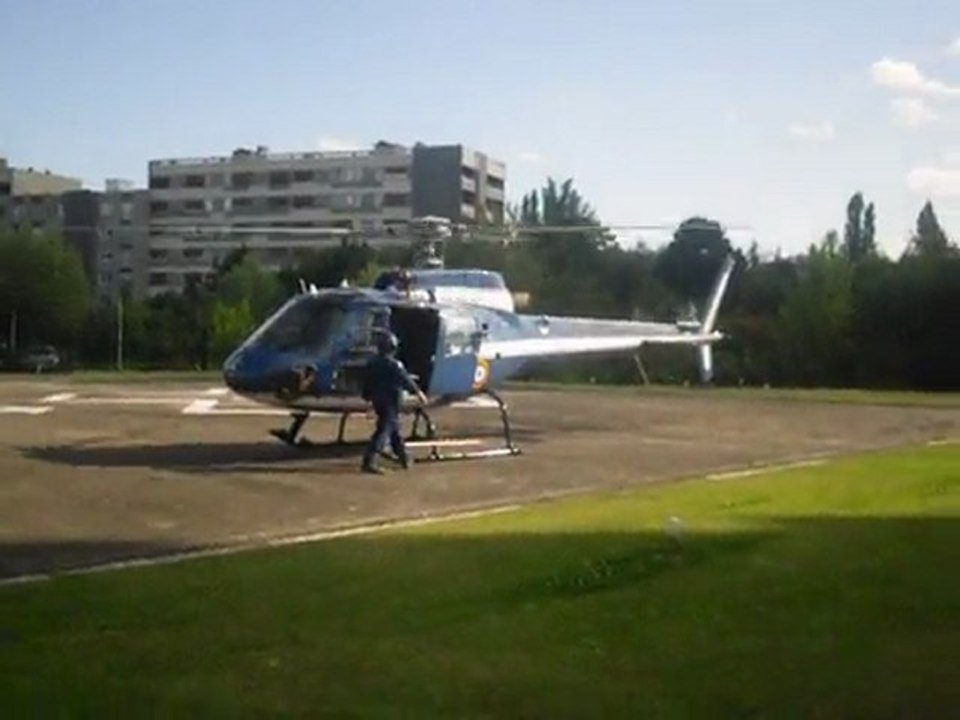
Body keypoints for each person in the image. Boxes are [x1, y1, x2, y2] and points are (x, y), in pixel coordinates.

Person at [361, 331, 427, 474]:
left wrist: (367, 398)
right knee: (384, 431)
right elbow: (405, 380)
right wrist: (418, 393)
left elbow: (367, 383)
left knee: (394, 428)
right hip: (390, 401)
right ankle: (370, 460)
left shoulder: (372, 363)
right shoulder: (395, 365)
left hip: (378, 401)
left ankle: (403, 457)